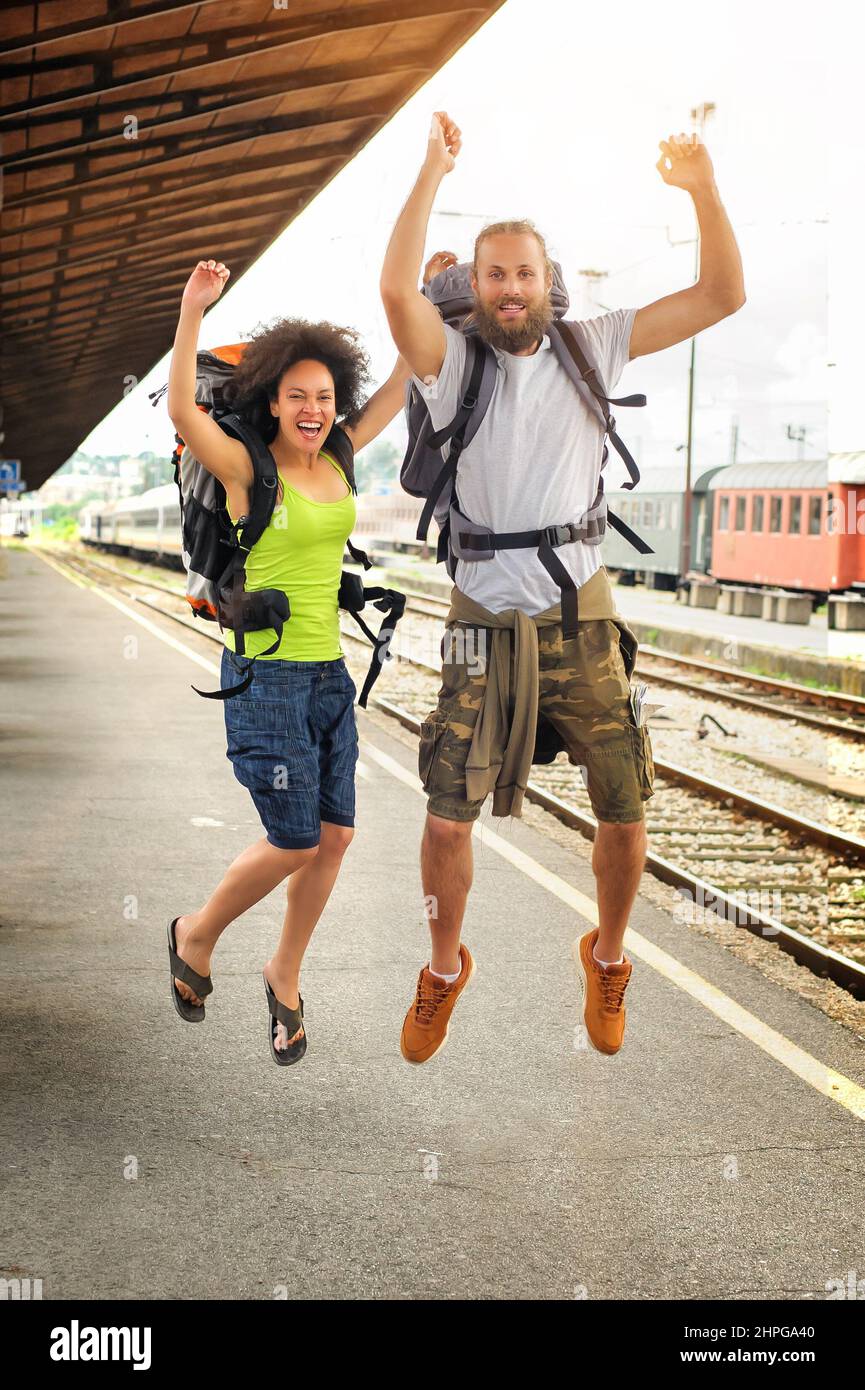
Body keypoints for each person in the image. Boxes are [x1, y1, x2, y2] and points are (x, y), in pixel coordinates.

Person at [380, 112, 746, 1062]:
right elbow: (392, 289)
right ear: (479, 288)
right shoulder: (450, 364)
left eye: (523, 272)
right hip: (478, 620)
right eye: (494, 272)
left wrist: (700, 184)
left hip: (581, 613)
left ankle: (609, 956)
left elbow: (721, 294)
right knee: (443, 811)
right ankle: (444, 970)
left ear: (548, 283)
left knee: (623, 799)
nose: (508, 287)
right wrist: (429, 170)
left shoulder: (596, 345)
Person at [166, 259, 411, 1065]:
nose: (314, 409)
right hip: (266, 680)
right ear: (272, 399)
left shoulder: (337, 457)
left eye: (325, 397)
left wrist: (428, 302)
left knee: (334, 838)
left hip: (328, 681)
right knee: (295, 840)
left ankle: (284, 969)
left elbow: (404, 380)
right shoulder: (248, 468)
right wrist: (192, 311)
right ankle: (196, 935)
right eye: (298, 396)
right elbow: (178, 407)